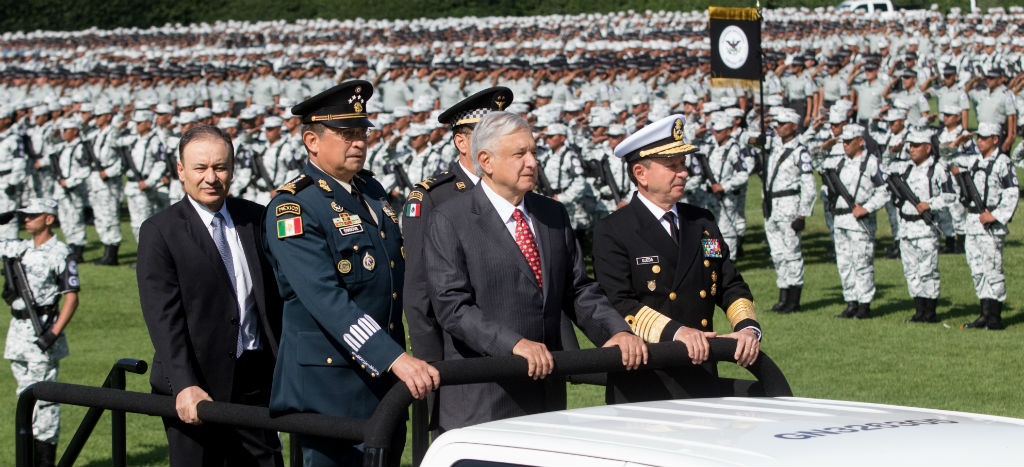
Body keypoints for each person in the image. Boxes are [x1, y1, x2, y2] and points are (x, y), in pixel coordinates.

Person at [425, 111, 646, 431]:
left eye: (533, 152)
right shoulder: (450, 219)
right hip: (485, 397)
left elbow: (579, 289)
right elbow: (453, 308)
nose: (531, 162)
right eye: (519, 154)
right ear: (486, 160)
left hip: (546, 396)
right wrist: (514, 345)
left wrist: (616, 332)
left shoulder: (552, 213)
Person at [264, 80, 439, 466]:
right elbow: (326, 300)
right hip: (330, 386)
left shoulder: (371, 190)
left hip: (383, 380)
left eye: (361, 132)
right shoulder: (294, 208)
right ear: (312, 140)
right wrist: (394, 358)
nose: (358, 142)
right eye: (346, 134)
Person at [136, 125, 283, 467]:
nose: (211, 178)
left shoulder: (256, 218)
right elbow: (163, 318)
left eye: (220, 167)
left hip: (255, 381)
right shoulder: (160, 230)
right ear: (180, 170)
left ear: (232, 169)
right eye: (200, 168)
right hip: (195, 384)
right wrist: (185, 384)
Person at [590, 114, 761, 403]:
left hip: (702, 371)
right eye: (672, 166)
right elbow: (620, 303)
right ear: (641, 174)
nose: (683, 173)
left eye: (683, 165)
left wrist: (747, 329)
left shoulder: (702, 221)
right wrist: (678, 332)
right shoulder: (614, 230)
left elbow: (729, 284)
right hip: (645, 377)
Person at [1, 198, 79, 467]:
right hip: (18, 337)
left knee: (44, 404)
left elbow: (71, 299)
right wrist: (5, 217)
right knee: (24, 400)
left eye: (33, 215)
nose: (26, 220)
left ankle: (44, 463)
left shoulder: (61, 252)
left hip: (43, 334)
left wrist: (53, 334)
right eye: (24, 216)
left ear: (48, 219)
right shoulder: (16, 248)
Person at [957, 122, 1018, 330]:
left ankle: (995, 317)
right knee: (977, 269)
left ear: (995, 139)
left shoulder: (1003, 163)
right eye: (978, 137)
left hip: (990, 221)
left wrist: (996, 216)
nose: (979, 141)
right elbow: (945, 158)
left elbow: (1012, 193)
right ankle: (984, 313)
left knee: (992, 268)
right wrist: (957, 143)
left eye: (983, 137)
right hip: (973, 222)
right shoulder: (973, 160)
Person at [891, 130, 956, 323]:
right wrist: (892, 151)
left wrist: (930, 204)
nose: (911, 149)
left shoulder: (937, 169)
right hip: (907, 227)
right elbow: (885, 167)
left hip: (926, 228)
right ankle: (919, 310)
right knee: (911, 271)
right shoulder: (906, 168)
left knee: (927, 270)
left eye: (916, 146)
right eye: (910, 146)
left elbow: (950, 196)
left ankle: (930, 311)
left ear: (928, 148)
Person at [826, 124, 889, 319]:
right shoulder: (839, 163)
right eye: (843, 141)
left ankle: (864, 305)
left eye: (848, 141)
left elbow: (884, 190)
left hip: (860, 221)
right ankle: (851, 301)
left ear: (860, 141)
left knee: (862, 263)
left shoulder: (871, 163)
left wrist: (867, 208)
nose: (844, 145)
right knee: (845, 263)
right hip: (841, 219)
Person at [762, 109, 816, 313]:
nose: (778, 127)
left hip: (789, 205)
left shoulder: (799, 151)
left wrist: (803, 214)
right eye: (777, 124)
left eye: (783, 124)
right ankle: (782, 296)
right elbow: (751, 141)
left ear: (794, 126)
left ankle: (794, 299)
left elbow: (809, 186)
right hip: (772, 206)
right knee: (778, 253)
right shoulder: (773, 147)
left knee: (792, 253)